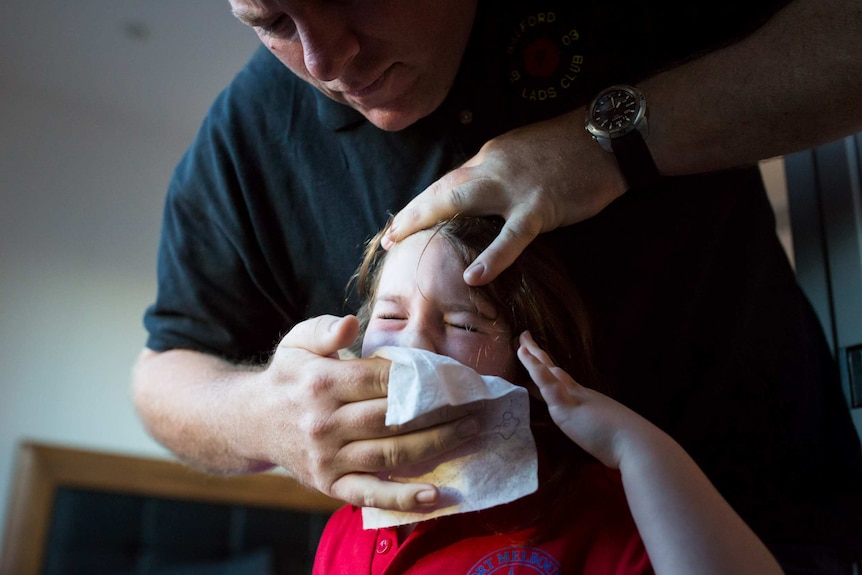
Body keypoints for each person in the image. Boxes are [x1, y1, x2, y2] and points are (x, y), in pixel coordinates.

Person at [132, 0, 862, 573]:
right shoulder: (248, 138)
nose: (327, 60)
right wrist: (264, 418)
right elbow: (165, 369)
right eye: (274, 23)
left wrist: (609, 146)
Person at [312, 215, 784, 575]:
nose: (413, 343)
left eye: (463, 324)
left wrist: (633, 447)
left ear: (527, 358)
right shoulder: (342, 531)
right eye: (391, 317)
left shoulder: (598, 508)